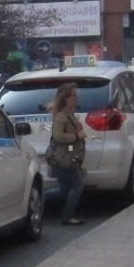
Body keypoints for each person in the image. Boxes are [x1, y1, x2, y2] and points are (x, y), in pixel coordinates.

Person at [48, 82, 86, 226]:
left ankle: (38, 200)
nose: (76, 98)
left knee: (64, 190)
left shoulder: (69, 115)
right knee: (77, 185)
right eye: (73, 96)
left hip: (67, 158)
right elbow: (58, 136)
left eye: (76, 95)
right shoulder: (62, 116)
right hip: (64, 158)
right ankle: (68, 216)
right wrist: (77, 136)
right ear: (65, 98)